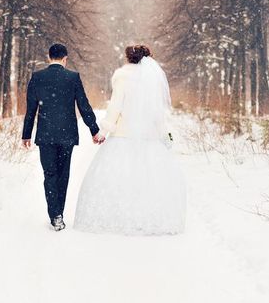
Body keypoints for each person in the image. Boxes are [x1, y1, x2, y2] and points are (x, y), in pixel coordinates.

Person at [73, 45, 187, 235]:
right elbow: (157, 113)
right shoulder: (153, 81)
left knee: (119, 177)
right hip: (150, 137)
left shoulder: (122, 77)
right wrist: (163, 134)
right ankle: (148, 217)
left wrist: (104, 130)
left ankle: (119, 217)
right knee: (148, 179)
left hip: (123, 135)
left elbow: (116, 106)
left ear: (128, 58)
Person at [21, 43, 102, 231]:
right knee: (63, 174)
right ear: (65, 59)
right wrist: (94, 129)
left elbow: (31, 109)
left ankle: (55, 215)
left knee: (49, 174)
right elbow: (84, 106)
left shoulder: (37, 77)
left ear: (49, 58)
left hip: (45, 134)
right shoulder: (72, 78)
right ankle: (59, 213)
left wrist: (26, 134)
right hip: (67, 135)